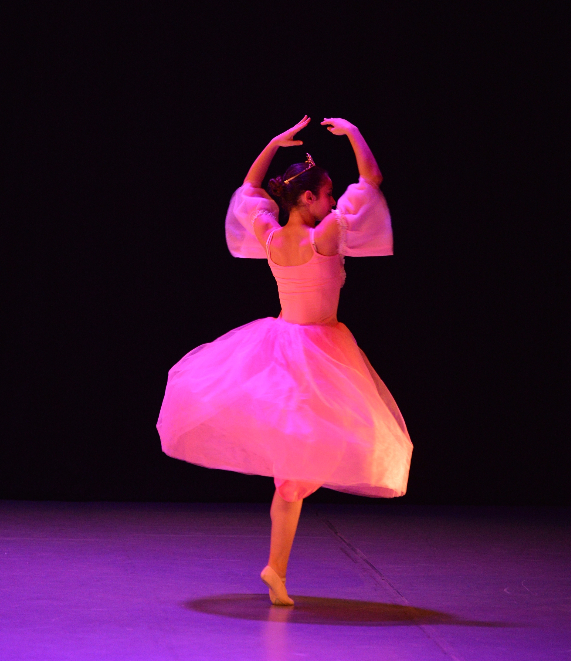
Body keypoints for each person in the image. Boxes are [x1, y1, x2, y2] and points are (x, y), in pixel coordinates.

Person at [157, 116, 413, 606]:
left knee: (295, 476)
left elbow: (248, 190)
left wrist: (273, 144)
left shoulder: (271, 235)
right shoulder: (326, 235)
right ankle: (275, 567)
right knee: (301, 472)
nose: (334, 202)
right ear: (307, 198)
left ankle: (276, 569)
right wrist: (354, 133)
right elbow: (372, 181)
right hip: (318, 355)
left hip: (281, 348)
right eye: (328, 194)